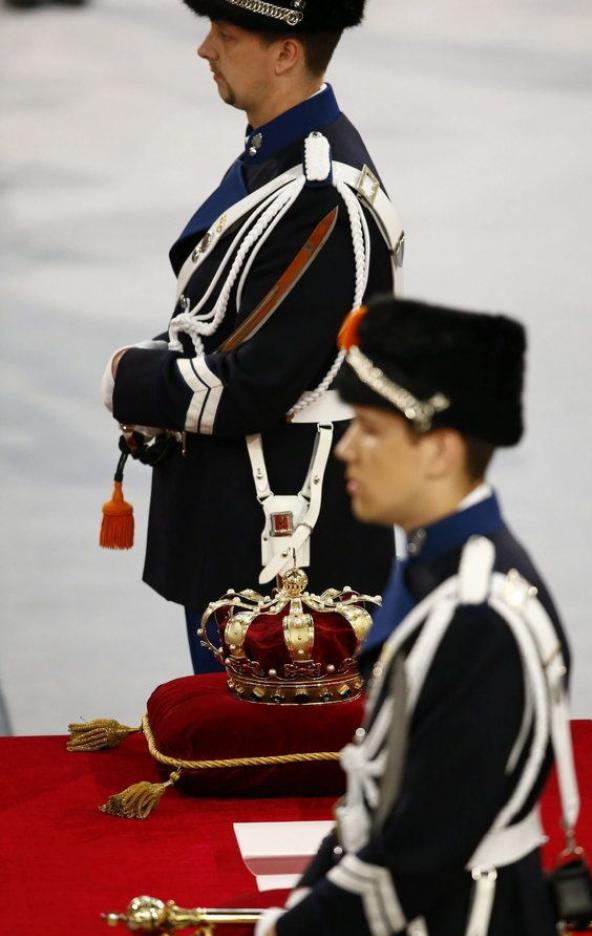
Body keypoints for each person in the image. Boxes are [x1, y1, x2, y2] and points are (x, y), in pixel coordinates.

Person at [254, 297, 575, 936]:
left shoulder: (477, 615)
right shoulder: (439, 568)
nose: (344, 449)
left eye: (369, 429)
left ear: (438, 449)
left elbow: (427, 842)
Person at [102, 0, 403, 672]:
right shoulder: (281, 157)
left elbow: (257, 387)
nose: (205, 48)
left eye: (226, 34)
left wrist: (130, 379)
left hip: (284, 547)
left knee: (265, 762)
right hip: (247, 521)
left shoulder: (320, 195)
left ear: (286, 53)